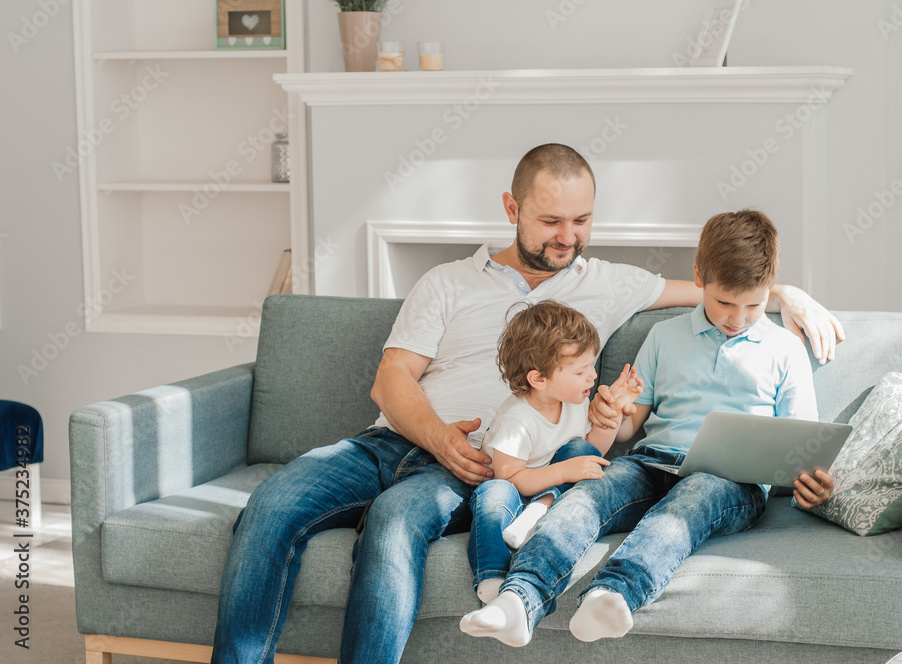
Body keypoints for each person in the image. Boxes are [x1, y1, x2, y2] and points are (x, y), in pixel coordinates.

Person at [209, 145, 845, 664]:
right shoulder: (447, 282)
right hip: (395, 441)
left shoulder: (610, 283)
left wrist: (790, 293)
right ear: (512, 208)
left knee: (394, 524)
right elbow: (391, 380)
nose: (568, 237)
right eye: (550, 221)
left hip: (480, 464)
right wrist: (436, 436)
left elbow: (718, 291)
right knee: (271, 504)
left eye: (582, 221)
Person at [459, 209, 836, 647]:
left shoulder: (785, 349)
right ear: (699, 278)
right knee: (588, 494)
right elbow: (629, 426)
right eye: (724, 303)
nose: (737, 317)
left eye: (753, 305)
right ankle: (519, 599)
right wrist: (613, 414)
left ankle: (614, 593)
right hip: (651, 462)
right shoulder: (664, 336)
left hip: (730, 481)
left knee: (689, 504)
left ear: (770, 291)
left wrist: (811, 484)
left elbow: (802, 446)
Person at [469, 300, 643, 604]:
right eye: (580, 371)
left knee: (578, 448)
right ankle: (492, 575)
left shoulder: (575, 400)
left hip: (550, 492)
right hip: (513, 488)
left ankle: (541, 509)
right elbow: (508, 476)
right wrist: (564, 472)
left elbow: (592, 451)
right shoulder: (518, 419)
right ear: (539, 379)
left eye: (592, 364)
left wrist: (613, 413)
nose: (592, 376)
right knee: (492, 495)